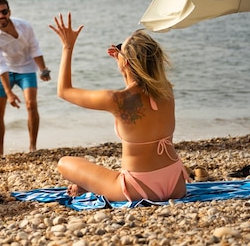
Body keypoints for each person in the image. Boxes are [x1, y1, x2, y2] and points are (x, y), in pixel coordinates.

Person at [49, 12, 189, 202]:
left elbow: (64, 91)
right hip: (176, 183)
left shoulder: (117, 100)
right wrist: (125, 64)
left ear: (127, 62)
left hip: (136, 188)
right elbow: (140, 84)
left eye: (121, 49)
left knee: (65, 163)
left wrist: (68, 46)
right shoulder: (166, 91)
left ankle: (90, 185)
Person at [0, 0, 51, 155]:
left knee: (31, 104)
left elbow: (35, 48)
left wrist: (43, 69)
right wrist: (9, 93)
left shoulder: (25, 26)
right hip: (4, 71)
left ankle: (32, 147)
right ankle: (0, 151)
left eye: (4, 12)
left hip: (27, 69)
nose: (1, 16)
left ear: (9, 12)